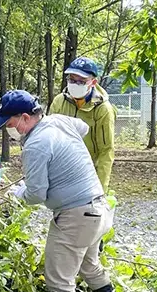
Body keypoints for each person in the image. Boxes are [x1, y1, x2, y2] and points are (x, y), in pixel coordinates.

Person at [0, 90, 120, 292]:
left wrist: (17, 194)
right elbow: (82, 126)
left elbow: (37, 194)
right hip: (97, 208)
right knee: (90, 266)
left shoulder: (36, 145)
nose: (9, 129)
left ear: (25, 118)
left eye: (10, 123)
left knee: (59, 280)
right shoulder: (59, 121)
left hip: (75, 216)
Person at [49, 57, 115, 193]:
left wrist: (101, 188)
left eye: (81, 81)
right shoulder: (59, 101)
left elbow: (106, 151)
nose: (75, 84)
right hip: (61, 173)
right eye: (72, 80)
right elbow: (49, 139)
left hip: (89, 174)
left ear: (93, 82)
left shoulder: (103, 109)